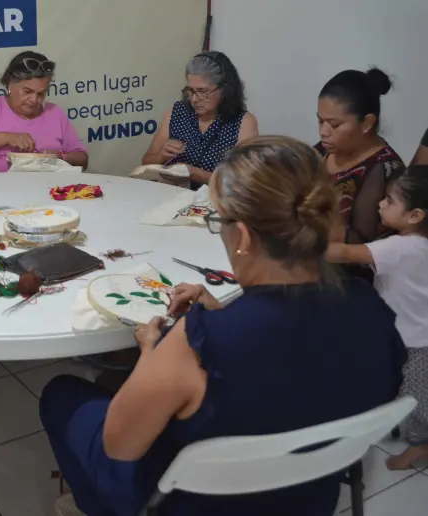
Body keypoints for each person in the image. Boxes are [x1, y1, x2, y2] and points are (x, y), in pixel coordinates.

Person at [41, 136, 406, 516]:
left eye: (218, 220)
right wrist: (220, 315)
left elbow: (118, 445)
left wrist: (152, 353)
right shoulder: (372, 312)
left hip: (185, 503)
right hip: (309, 496)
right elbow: (302, 371)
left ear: (244, 235)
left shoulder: (199, 342)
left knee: (61, 394)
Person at [326, 165, 428, 471]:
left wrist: (302, 240)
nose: (380, 204)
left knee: (415, 399)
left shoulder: (401, 248)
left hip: (415, 341)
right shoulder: (416, 244)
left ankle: (421, 444)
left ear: (415, 215)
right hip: (411, 331)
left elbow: (342, 254)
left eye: (389, 200)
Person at [0, 51, 88, 172]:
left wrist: (59, 157)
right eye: (27, 91)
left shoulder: (54, 113)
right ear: (10, 84)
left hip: (48, 191)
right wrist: (6, 138)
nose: (34, 100)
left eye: (41, 94)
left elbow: (82, 160)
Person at [315, 68, 404, 249]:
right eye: (320, 121)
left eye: (334, 124)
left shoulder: (384, 168)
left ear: (367, 123)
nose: (323, 132)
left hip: (352, 273)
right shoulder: (322, 150)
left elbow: (360, 241)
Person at [141, 51, 258, 189]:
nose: (194, 99)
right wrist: (162, 156)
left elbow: (244, 183)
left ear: (225, 89)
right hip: (175, 200)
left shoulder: (243, 122)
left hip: (217, 204)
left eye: (203, 91)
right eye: (190, 90)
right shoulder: (177, 111)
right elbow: (146, 164)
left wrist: (193, 173)